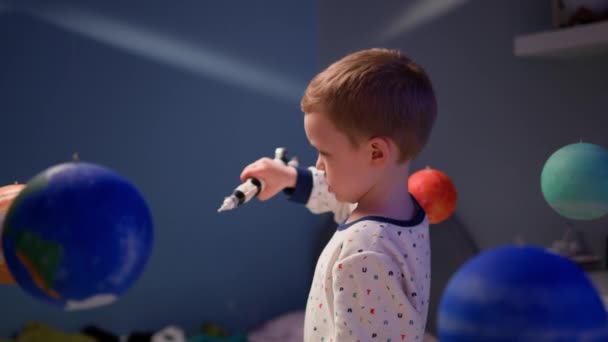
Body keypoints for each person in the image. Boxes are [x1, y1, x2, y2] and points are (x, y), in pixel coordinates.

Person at [240, 48, 437, 341]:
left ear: (376, 152)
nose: (318, 164)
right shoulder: (399, 209)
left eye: (325, 153)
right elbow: (338, 196)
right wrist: (290, 178)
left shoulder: (364, 254)